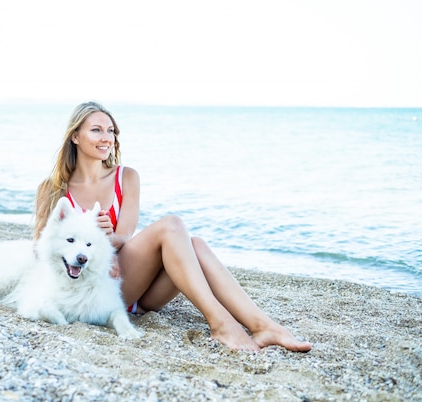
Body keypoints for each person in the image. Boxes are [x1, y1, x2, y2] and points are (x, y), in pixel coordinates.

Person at [34, 101, 312, 352]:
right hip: (94, 292)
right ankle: (221, 323)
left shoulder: (126, 177)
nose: (106, 137)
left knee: (196, 244)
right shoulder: (51, 189)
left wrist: (106, 237)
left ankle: (263, 325)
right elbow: (40, 248)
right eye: (96, 130)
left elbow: (125, 236)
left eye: (111, 131)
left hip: (135, 284)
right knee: (171, 225)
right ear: (75, 136)